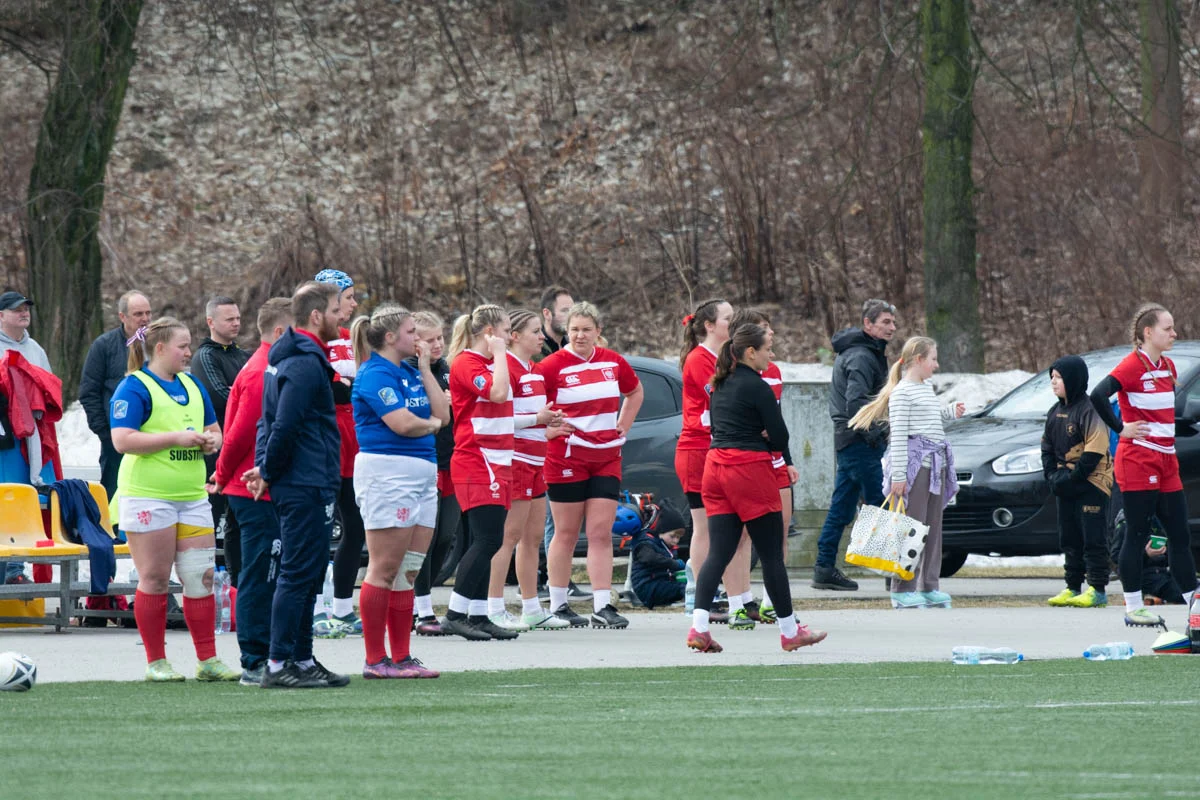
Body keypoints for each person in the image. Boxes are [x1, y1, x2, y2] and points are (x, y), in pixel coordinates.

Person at [108, 316, 239, 682]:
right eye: (183, 346)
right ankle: (156, 662)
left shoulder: (192, 385)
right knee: (155, 578)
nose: (189, 352)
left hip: (192, 495)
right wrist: (174, 438)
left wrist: (215, 440)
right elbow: (122, 440)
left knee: (201, 576)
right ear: (160, 348)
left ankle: (208, 660)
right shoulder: (134, 387)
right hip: (149, 496)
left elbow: (216, 431)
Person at [686, 322, 827, 654]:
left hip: (714, 467)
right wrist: (764, 435)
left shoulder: (719, 384)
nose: (771, 354)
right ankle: (790, 630)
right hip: (747, 469)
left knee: (718, 552)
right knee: (771, 553)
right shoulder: (760, 387)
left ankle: (699, 627)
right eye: (767, 348)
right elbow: (780, 439)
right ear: (751, 352)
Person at [243, 281, 349, 689]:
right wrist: (268, 469)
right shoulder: (303, 362)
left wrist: (265, 465)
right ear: (317, 316)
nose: (343, 316)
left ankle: (301, 660)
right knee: (296, 574)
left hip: (306, 478)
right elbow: (283, 423)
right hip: (305, 481)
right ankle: (277, 663)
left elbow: (268, 422)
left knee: (306, 574)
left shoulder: (296, 357)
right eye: (338, 309)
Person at [349, 304, 448, 678]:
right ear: (390, 337)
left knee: (408, 570)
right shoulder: (374, 373)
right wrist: (433, 424)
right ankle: (375, 659)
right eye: (411, 332)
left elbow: (444, 414)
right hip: (388, 473)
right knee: (384, 568)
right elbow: (403, 424)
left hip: (422, 474)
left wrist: (424, 369)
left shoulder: (410, 371)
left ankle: (402, 656)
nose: (418, 338)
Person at [1088, 303, 1198, 628]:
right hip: (1138, 458)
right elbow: (1098, 395)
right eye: (1168, 328)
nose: (1174, 333)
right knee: (1136, 533)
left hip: (1167, 460)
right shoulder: (1131, 366)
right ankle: (1133, 606)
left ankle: (1194, 602)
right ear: (1148, 332)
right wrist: (1121, 429)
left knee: (1179, 533)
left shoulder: (1168, 367)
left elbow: (1163, 415)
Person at [540, 301, 644, 628]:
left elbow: (635, 391)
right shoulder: (552, 365)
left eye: (586, 329)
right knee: (567, 532)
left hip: (606, 457)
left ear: (599, 331)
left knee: (600, 533)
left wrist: (623, 424)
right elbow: (529, 407)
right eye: (574, 330)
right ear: (566, 332)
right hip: (566, 457)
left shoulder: (613, 362)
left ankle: (602, 605)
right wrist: (547, 430)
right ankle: (558, 604)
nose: (580, 335)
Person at [848, 336, 963, 609]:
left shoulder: (925, 387)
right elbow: (898, 435)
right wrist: (899, 476)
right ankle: (902, 588)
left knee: (934, 528)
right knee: (911, 528)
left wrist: (950, 412)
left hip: (937, 464)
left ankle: (930, 586)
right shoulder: (902, 393)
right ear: (919, 360)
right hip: (916, 467)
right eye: (933, 359)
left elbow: (931, 416)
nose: (937, 364)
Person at [211, 298, 292, 687]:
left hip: (249, 485)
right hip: (251, 489)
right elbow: (242, 433)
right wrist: (224, 475)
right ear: (280, 332)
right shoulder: (263, 372)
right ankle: (255, 658)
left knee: (263, 572)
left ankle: (269, 653)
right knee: (261, 573)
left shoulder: (262, 365)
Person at [484, 309, 569, 631]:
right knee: (508, 536)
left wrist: (548, 429)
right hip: (515, 461)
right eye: (535, 331)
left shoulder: (534, 370)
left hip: (537, 461)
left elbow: (531, 419)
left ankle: (531, 607)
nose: (540, 336)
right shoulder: (507, 371)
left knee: (532, 538)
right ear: (514, 336)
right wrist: (538, 421)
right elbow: (501, 418)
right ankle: (492, 607)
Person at [440, 303, 520, 641]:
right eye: (503, 331)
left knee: (487, 539)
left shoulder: (491, 363)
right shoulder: (467, 363)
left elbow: (502, 407)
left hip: (499, 459)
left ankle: (478, 613)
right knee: (488, 538)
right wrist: (501, 354)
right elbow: (497, 391)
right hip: (477, 460)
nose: (508, 337)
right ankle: (455, 613)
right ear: (489, 333)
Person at [813, 299, 897, 591]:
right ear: (868, 324)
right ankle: (893, 574)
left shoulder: (867, 352)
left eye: (893, 322)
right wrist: (875, 432)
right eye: (885, 322)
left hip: (851, 439)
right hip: (860, 440)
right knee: (881, 502)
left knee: (842, 507)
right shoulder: (861, 355)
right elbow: (856, 402)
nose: (892, 327)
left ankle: (824, 568)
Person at [723, 307, 799, 628]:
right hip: (743, 463)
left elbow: (777, 423)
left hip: (775, 462)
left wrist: (788, 459)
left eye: (769, 327)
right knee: (739, 538)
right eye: (763, 329)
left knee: (779, 533)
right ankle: (738, 603)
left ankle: (772, 603)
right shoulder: (728, 373)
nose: (770, 334)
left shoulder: (774, 371)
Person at [675, 299, 737, 623]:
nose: (733, 322)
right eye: (728, 318)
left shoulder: (724, 356)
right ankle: (701, 595)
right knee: (704, 529)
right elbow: (717, 402)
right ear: (710, 325)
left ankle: (714, 592)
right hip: (697, 450)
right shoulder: (700, 359)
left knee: (723, 527)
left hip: (716, 449)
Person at [313, 268, 366, 637]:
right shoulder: (311, 339)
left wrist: (347, 385)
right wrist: (344, 385)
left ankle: (344, 609)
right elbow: (331, 389)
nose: (354, 304)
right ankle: (315, 607)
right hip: (324, 440)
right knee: (317, 529)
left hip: (355, 441)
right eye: (348, 298)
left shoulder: (349, 337)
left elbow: (355, 385)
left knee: (356, 526)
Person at [1041, 355, 1113, 609]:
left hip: (1091, 484)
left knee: (1093, 537)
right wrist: (1052, 477)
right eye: (1051, 378)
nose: (1053, 382)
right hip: (1065, 485)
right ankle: (1072, 587)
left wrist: (1074, 478)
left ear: (1072, 379)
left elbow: (1095, 450)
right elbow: (1047, 448)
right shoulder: (1055, 411)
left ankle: (1097, 589)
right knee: (1070, 537)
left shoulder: (1089, 409)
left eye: (1058, 378)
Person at [0, 289, 59, 585]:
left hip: (34, 439)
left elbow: (49, 390)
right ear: (1, 316)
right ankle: (9, 568)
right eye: (16, 309)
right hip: (5, 441)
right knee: (9, 499)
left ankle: (18, 570)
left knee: (33, 500)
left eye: (26, 308)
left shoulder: (35, 349)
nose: (24, 312)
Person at [191, 296, 250, 585]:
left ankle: (238, 581)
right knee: (213, 517)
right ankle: (208, 579)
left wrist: (241, 394)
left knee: (238, 519)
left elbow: (259, 389)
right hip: (216, 449)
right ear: (211, 322)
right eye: (230, 319)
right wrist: (245, 397)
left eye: (238, 318)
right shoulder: (205, 356)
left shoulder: (242, 356)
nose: (236, 323)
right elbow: (220, 397)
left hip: (243, 446)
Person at [410, 311, 460, 636]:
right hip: (424, 464)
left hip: (452, 462)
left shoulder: (449, 372)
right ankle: (422, 609)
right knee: (423, 542)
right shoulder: (408, 373)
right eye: (430, 340)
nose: (438, 344)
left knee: (446, 537)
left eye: (440, 337)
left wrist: (456, 404)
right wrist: (436, 405)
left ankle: (425, 602)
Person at [79, 290, 152, 499]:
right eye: (138, 314)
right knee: (115, 495)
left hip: (153, 435)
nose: (145, 319)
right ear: (123, 316)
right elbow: (88, 392)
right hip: (117, 439)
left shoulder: (157, 343)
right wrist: (104, 431)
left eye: (148, 313)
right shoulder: (104, 346)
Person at [630, 525, 686, 610]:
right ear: (661, 532)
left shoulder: (667, 546)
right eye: (672, 536)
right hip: (647, 586)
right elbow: (650, 558)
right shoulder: (646, 543)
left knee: (684, 583)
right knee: (683, 587)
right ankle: (697, 603)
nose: (675, 540)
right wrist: (674, 563)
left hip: (659, 583)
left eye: (678, 538)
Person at [537, 285, 572, 361]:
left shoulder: (574, 347)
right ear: (547, 314)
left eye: (572, 311)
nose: (571, 316)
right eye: (565, 311)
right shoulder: (534, 350)